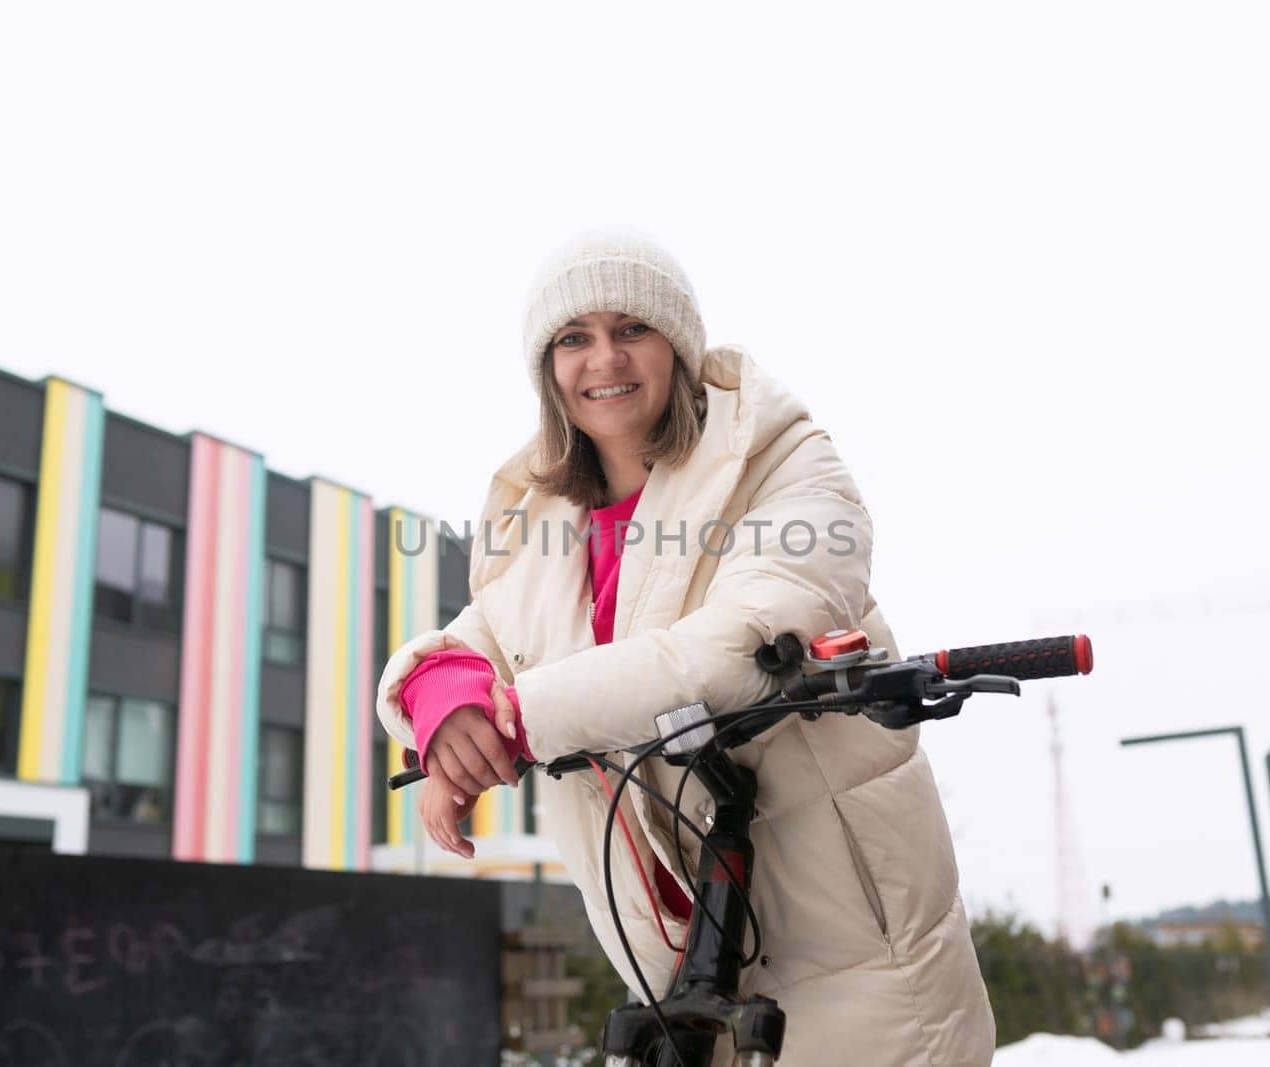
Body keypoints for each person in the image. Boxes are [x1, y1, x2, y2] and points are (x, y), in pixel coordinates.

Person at [375, 228, 994, 1065]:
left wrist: (518, 722)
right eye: (573, 338)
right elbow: (469, 646)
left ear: (677, 342)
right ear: (548, 369)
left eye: (631, 327)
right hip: (676, 965)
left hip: (850, 949)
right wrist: (445, 713)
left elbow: (739, 644)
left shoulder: (782, 463)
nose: (604, 359)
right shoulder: (545, 523)